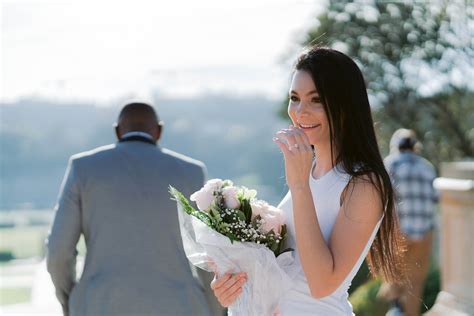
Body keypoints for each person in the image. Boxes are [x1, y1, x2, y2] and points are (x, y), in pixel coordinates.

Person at [210, 47, 405, 315]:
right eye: (295, 98)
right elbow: (288, 269)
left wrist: (299, 186)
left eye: (316, 100)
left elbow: (322, 284)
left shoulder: (363, 184)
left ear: (344, 105)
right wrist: (233, 283)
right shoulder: (309, 169)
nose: (300, 111)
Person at [46, 102, 223, 316]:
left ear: (117, 131)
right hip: (179, 306)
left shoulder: (82, 168)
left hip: (98, 305)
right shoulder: (191, 172)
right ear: (159, 131)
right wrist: (216, 310)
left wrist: (70, 301)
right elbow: (208, 254)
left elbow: (58, 251)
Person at [379, 128, 438, 316]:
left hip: (399, 233)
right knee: (415, 284)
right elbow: (435, 197)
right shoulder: (427, 167)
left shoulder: (389, 165)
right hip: (424, 232)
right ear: (415, 147)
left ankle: (395, 309)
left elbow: (382, 200)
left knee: (394, 277)